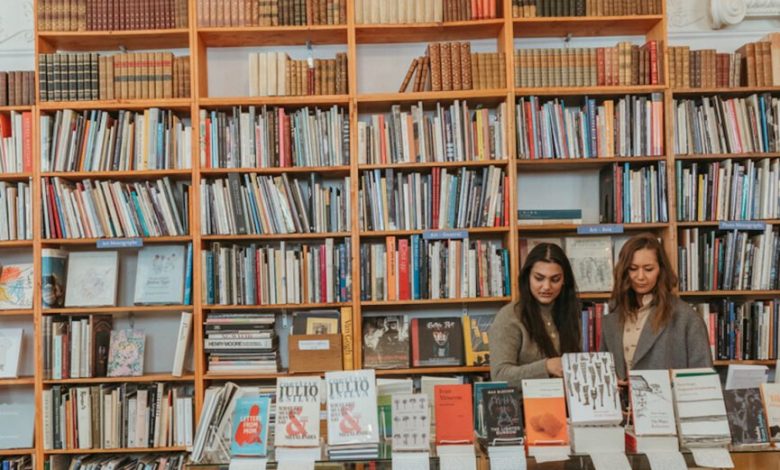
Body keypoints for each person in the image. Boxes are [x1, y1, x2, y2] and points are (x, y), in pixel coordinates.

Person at [600, 233, 712, 380]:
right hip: (625, 402)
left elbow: (704, 378)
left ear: (661, 270)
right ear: (624, 271)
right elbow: (605, 371)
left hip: (669, 402)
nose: (640, 277)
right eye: (633, 268)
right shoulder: (613, 315)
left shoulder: (686, 317)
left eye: (648, 269)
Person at [489, 243, 582, 388]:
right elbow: (500, 376)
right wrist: (546, 367)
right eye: (539, 278)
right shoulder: (509, 316)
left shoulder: (570, 312)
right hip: (524, 407)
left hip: (566, 405)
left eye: (555, 279)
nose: (546, 287)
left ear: (565, 281)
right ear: (528, 278)